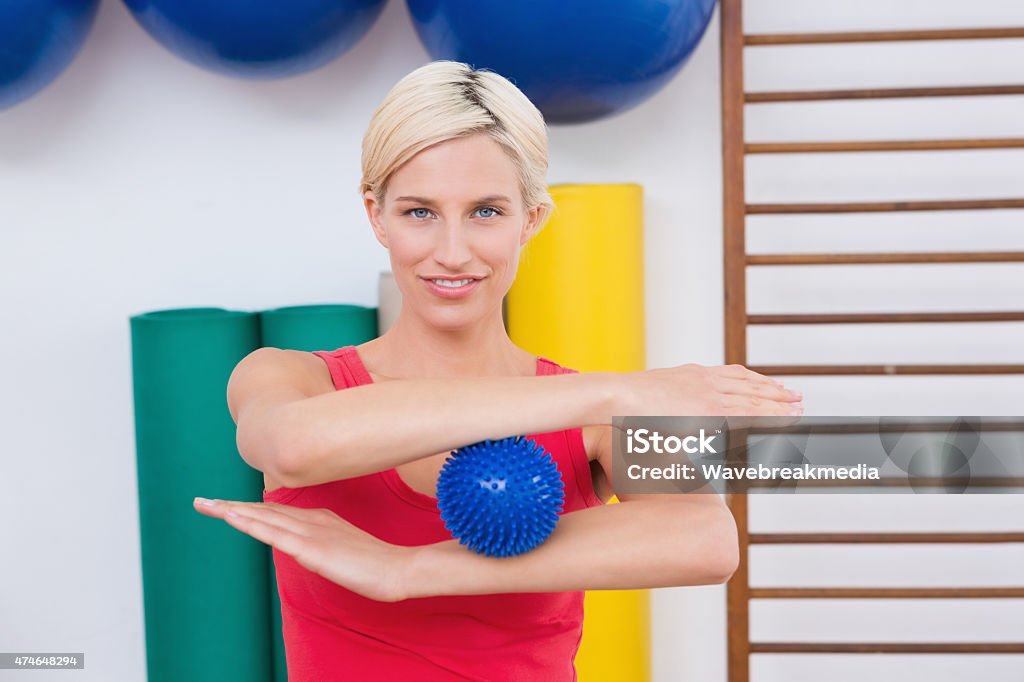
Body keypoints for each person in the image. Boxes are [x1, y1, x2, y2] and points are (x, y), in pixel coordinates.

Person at [193, 60, 803, 681]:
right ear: (376, 215)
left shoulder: (587, 414)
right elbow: (293, 444)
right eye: (419, 212)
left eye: (486, 211)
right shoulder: (291, 378)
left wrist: (410, 571)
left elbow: (704, 541)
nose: (452, 252)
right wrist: (616, 390)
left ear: (531, 219)